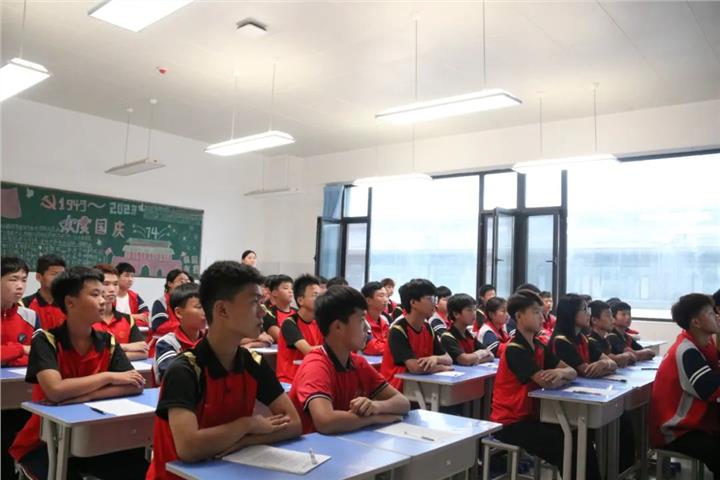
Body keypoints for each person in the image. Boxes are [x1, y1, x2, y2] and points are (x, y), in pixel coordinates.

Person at [146, 261, 301, 479]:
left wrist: (246, 440)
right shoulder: (185, 369)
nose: (263, 312)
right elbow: (188, 447)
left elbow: (294, 423)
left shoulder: (253, 363)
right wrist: (247, 425)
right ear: (222, 310)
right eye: (254, 302)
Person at [11, 267, 145, 480]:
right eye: (95, 294)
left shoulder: (107, 341)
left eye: (103, 294)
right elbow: (55, 391)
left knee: (138, 467)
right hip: (45, 441)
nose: (103, 300)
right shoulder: (45, 340)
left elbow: (134, 384)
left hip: (94, 435)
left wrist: (87, 396)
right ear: (70, 302)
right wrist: (108, 377)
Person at [491, 290, 600, 480]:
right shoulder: (514, 349)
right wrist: (560, 374)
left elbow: (572, 371)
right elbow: (545, 382)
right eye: (536, 312)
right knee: (564, 444)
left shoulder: (539, 346)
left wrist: (560, 372)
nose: (542, 318)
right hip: (511, 422)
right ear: (519, 316)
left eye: (542, 312)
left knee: (581, 436)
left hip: (535, 416)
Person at [289, 286, 409, 434]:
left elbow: (403, 402)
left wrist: (376, 406)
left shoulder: (358, 363)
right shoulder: (316, 365)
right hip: (314, 447)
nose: (367, 328)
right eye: (361, 320)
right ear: (338, 327)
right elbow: (325, 421)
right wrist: (373, 418)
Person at [649, 293, 720, 478]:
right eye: (710, 313)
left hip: (698, 421)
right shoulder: (687, 351)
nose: (716, 316)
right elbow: (710, 390)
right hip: (675, 429)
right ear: (696, 322)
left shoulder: (704, 345)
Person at [1, 257, 37, 479]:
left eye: (24, 279)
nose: (20, 285)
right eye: (13, 279)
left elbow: (39, 354)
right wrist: (21, 350)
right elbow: (28, 352)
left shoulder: (29, 316)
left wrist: (8, 355)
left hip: (21, 393)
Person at [379, 279, 452, 390]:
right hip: (396, 387)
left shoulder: (427, 327)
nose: (434, 303)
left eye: (435, 299)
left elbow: (448, 359)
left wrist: (435, 358)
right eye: (429, 299)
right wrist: (442, 367)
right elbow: (415, 368)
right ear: (413, 303)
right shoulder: (398, 330)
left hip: (419, 384)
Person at [549, 294, 617, 378]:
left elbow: (613, 364)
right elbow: (586, 371)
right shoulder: (561, 341)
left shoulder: (583, 339)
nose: (589, 314)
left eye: (588, 309)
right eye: (584, 309)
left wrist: (605, 363)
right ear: (570, 312)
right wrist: (607, 367)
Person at [93, 264, 148, 361]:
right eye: (106, 284)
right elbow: (90, 353)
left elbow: (144, 352)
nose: (112, 289)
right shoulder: (85, 320)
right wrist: (126, 347)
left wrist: (110, 353)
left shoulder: (128, 320)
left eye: (115, 284)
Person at [153, 283, 206, 384]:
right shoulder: (167, 343)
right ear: (179, 313)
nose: (206, 311)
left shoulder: (211, 340)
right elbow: (175, 376)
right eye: (199, 307)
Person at [276, 274, 324, 383]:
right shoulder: (289, 323)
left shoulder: (319, 322)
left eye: (320, 295)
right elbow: (308, 350)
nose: (320, 300)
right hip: (289, 380)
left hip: (310, 377)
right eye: (315, 295)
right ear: (301, 300)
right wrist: (335, 347)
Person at [440, 293, 494, 366]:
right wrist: (480, 354)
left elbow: (490, 354)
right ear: (456, 314)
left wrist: (474, 360)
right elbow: (464, 360)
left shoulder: (470, 335)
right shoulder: (447, 337)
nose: (474, 313)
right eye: (469, 310)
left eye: (475, 309)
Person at [22, 253, 66, 330]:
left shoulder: (68, 304)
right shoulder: (25, 304)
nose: (59, 278)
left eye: (62, 275)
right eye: (54, 274)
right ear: (39, 277)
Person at [588, 300, 635, 367]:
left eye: (612, 316)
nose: (613, 320)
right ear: (594, 320)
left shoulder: (605, 340)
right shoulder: (591, 341)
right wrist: (627, 356)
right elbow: (614, 360)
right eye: (608, 316)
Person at [150, 269, 193, 337]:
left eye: (187, 281)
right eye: (181, 281)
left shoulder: (191, 302)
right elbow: (159, 327)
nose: (185, 284)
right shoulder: (161, 302)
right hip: (165, 341)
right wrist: (186, 326)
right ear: (170, 284)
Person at [261, 274, 296, 342]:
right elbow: (281, 338)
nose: (290, 291)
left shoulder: (298, 312)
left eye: (292, 288)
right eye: (286, 288)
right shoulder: (268, 314)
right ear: (274, 293)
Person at [115, 262, 150, 327]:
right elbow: (110, 317)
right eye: (127, 276)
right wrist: (134, 316)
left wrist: (126, 321)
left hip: (131, 330)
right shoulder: (110, 296)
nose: (130, 279)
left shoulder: (135, 296)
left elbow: (145, 315)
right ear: (117, 277)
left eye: (132, 276)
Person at [361, 281, 391, 356]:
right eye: (381, 296)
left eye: (386, 296)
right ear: (368, 301)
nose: (386, 299)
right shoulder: (361, 322)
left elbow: (393, 341)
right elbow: (373, 348)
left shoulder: (385, 320)